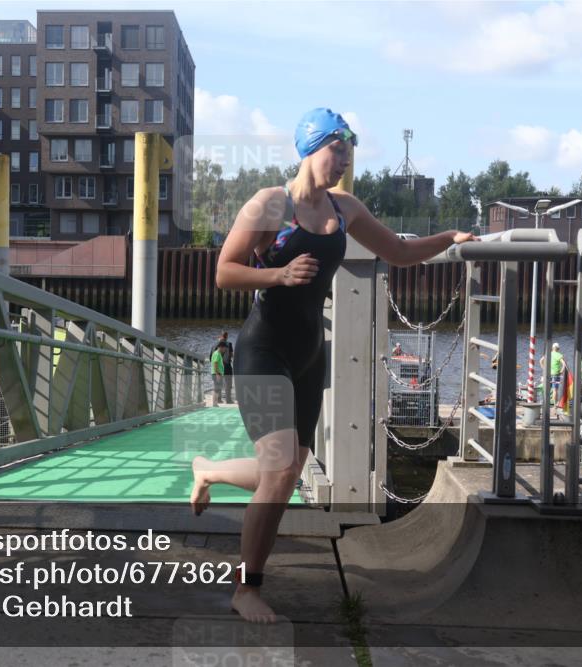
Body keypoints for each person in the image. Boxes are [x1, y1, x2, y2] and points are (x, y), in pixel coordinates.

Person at [189, 108, 477, 622]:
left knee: (289, 471)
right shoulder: (268, 206)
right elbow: (224, 273)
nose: (342, 156)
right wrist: (277, 276)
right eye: (334, 146)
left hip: (309, 357)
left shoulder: (344, 208)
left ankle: (208, 471)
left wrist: (450, 239)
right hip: (264, 352)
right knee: (278, 474)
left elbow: (399, 252)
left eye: (348, 147)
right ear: (308, 149)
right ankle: (246, 588)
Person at [210, 332, 235, 403]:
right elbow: (232, 356)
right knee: (228, 383)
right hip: (226, 366)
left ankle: (218, 399)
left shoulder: (213, 345)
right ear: (226, 336)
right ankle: (228, 399)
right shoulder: (229, 344)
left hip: (218, 368)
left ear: (220, 336)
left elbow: (210, 358)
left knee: (218, 384)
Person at [210, 340, 227, 405]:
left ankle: (215, 403)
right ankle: (214, 403)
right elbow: (215, 363)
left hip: (217, 373)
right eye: (225, 348)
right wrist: (217, 374)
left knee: (217, 388)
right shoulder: (217, 353)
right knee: (216, 388)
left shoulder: (217, 353)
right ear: (221, 347)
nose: (225, 349)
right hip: (217, 373)